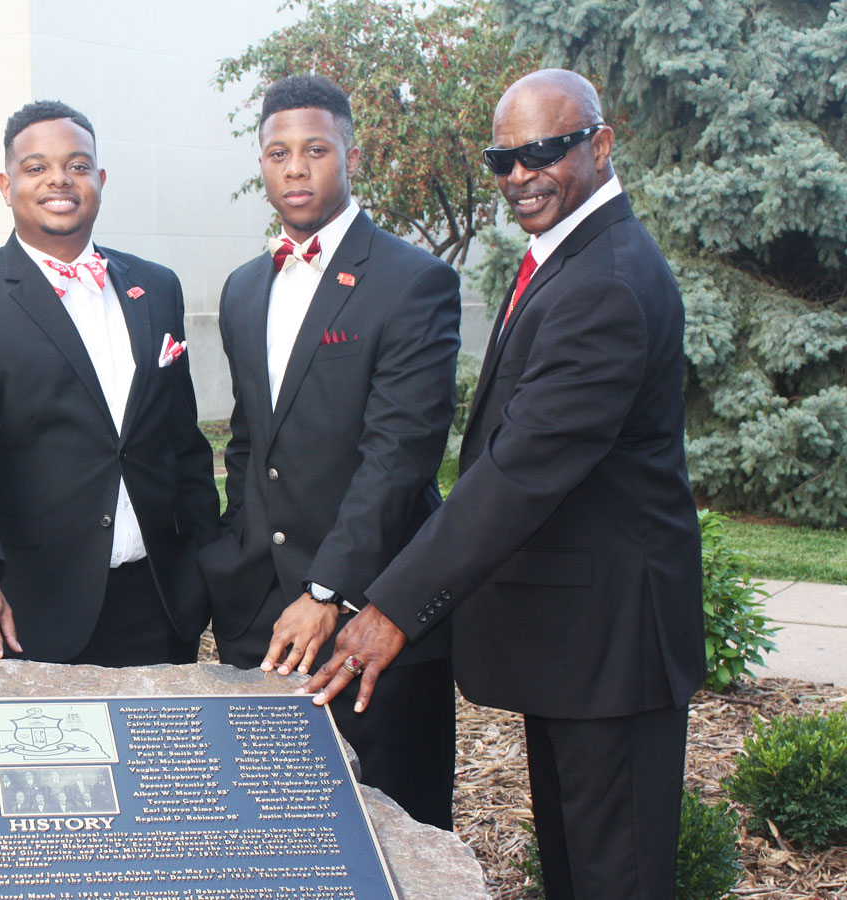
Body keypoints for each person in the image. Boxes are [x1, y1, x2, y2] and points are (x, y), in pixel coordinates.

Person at [305, 69, 702, 900]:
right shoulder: (571, 259)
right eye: (502, 157)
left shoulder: (606, 282)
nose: (519, 176)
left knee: (612, 881)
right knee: (575, 874)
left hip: (614, 650)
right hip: (578, 649)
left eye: (543, 152)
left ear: (598, 144)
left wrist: (389, 609)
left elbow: (518, 472)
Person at [199, 75, 460, 829]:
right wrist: (236, 562)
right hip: (263, 620)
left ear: (351, 152)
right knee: (281, 836)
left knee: (390, 835)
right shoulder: (246, 289)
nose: (296, 168)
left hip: (370, 618)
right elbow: (250, 443)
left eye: (316, 149)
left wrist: (327, 592)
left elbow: (400, 457)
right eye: (278, 153)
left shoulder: (415, 282)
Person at [0, 100, 220, 666]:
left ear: (100, 181)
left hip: (159, 598)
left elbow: (183, 441)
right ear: (7, 186)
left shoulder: (157, 287)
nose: (59, 178)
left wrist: (206, 563)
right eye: (36, 168)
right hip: (32, 606)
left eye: (78, 165)